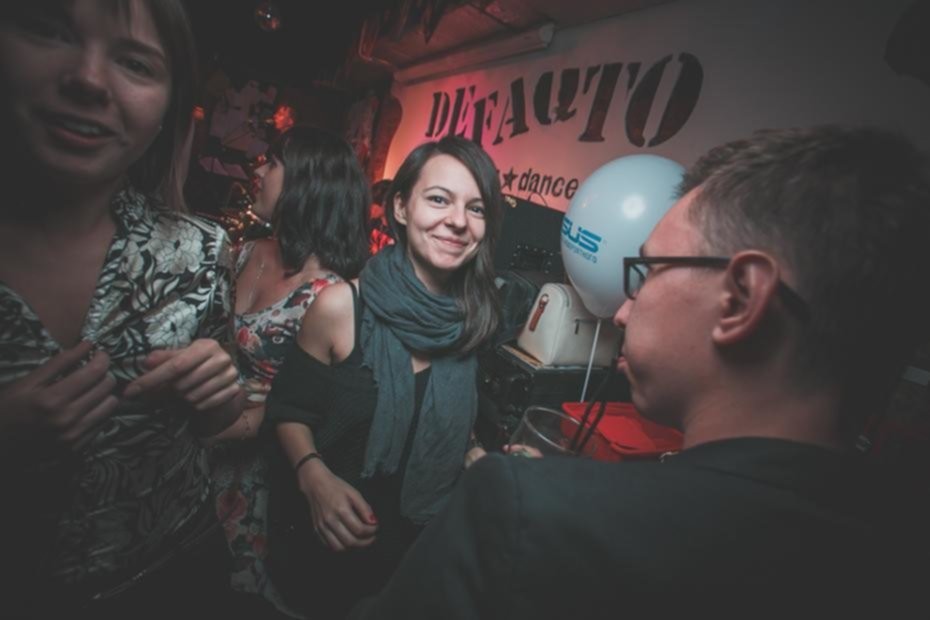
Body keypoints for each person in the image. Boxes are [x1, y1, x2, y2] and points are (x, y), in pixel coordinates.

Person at [348, 125, 930, 618]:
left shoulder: (521, 510)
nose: (623, 309)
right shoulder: (901, 560)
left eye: (647, 272)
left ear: (741, 299)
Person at [0, 1, 258, 617]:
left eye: (135, 63)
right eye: (50, 32)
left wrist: (218, 386)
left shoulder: (200, 251)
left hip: (175, 571)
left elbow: (217, 416)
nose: (89, 79)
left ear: (170, 107)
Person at [263, 135, 504, 618]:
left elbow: (450, 421)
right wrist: (313, 476)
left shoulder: (476, 323)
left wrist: (475, 453)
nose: (458, 220)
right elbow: (288, 410)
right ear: (400, 207)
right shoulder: (341, 307)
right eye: (439, 199)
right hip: (321, 562)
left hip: (416, 567)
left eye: (476, 208)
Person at [212, 125, 370, 613]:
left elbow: (302, 402)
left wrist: (213, 430)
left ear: (306, 181)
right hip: (200, 439)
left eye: (273, 162)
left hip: (260, 467)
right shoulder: (245, 250)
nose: (259, 170)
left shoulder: (331, 296)